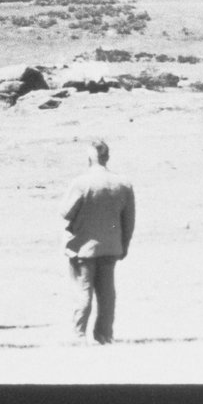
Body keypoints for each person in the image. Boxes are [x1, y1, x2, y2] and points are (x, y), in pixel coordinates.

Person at [59, 138, 135, 345]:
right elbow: (129, 221)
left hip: (84, 247)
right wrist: (123, 245)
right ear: (107, 157)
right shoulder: (123, 184)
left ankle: (79, 334)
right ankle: (104, 335)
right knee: (107, 294)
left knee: (83, 292)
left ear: (89, 158)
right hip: (111, 247)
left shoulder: (81, 183)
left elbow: (65, 213)